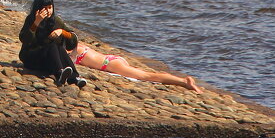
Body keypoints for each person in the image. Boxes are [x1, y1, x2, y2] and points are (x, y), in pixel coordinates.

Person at [71, 43, 202, 93]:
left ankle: (184, 82)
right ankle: (177, 79)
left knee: (146, 76)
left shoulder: (71, 50)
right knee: (145, 73)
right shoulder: (78, 43)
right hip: (111, 59)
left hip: (110, 65)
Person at [18, 0, 86, 88]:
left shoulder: (56, 21)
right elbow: (25, 39)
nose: (48, 11)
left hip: (49, 59)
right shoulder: (31, 19)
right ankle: (59, 74)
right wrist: (36, 23)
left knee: (59, 47)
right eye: (44, 8)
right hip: (32, 58)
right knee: (52, 46)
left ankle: (74, 78)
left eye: (50, 7)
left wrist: (62, 32)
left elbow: (72, 41)